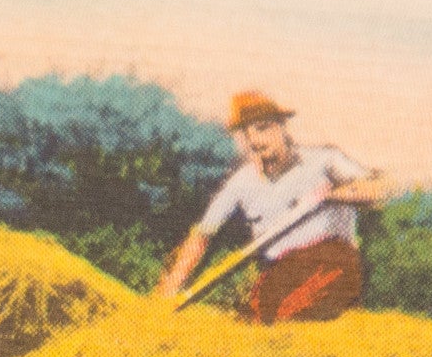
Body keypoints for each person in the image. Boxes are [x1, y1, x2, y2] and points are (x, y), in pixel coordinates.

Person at [154, 90, 391, 323]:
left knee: (290, 314)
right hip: (278, 273)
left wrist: (335, 195)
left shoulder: (325, 160)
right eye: (247, 135)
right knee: (256, 317)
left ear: (281, 127)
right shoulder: (242, 182)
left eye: (262, 128)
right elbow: (203, 234)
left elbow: (378, 189)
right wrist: (169, 289)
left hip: (330, 265)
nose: (255, 140)